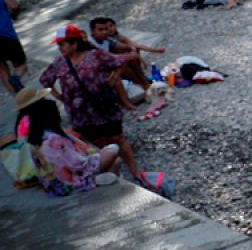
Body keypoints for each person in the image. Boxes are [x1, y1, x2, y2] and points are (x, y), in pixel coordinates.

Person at [38, 25, 155, 189]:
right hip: (81, 115)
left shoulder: (95, 56)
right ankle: (115, 173)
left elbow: (123, 59)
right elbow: (45, 81)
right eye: (59, 45)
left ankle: (135, 172)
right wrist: (61, 97)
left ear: (75, 44)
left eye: (63, 44)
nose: (60, 48)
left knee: (118, 138)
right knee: (98, 143)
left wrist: (116, 76)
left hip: (105, 107)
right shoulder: (59, 63)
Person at [13, 87, 127, 196]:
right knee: (113, 151)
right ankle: (94, 181)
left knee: (112, 160)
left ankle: (106, 180)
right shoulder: (51, 138)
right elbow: (77, 165)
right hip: (69, 182)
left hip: (51, 184)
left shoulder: (29, 129)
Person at [88, 17, 165, 82]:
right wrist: (127, 55)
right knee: (124, 61)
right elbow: (108, 57)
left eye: (109, 27)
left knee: (131, 54)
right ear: (92, 31)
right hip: (102, 67)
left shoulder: (111, 38)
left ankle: (142, 80)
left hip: (111, 61)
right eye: (101, 30)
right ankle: (140, 82)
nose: (106, 31)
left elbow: (130, 45)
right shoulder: (90, 43)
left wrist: (133, 51)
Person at [0, 0, 27, 93]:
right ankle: (16, 77)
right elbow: (14, 6)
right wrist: (14, 15)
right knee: (21, 65)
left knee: (2, 70)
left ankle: (18, 98)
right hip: (6, 35)